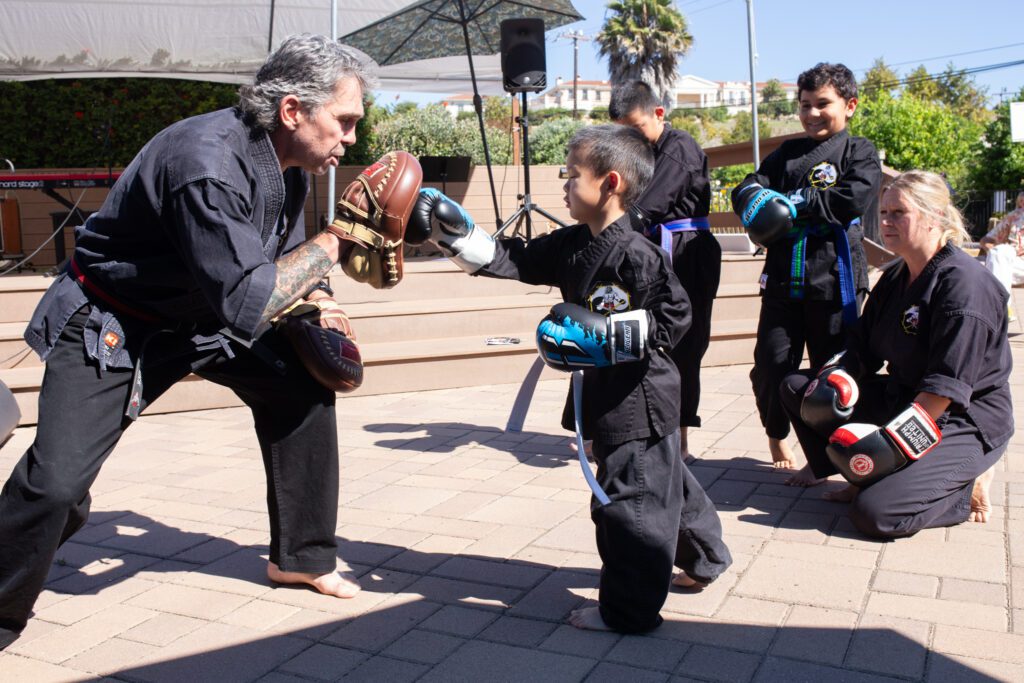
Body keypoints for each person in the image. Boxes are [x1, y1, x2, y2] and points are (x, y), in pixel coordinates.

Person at [0, 34, 385, 639]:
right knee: (55, 489)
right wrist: (338, 240)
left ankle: (301, 559)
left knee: (299, 386)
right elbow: (250, 300)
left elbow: (276, 256)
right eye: (344, 121)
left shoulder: (289, 165)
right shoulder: (205, 164)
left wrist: (320, 297)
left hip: (200, 316)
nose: (352, 138)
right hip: (113, 323)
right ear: (292, 111)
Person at [406, 125, 732, 633]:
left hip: (640, 399)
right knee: (664, 483)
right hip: (605, 396)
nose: (562, 184)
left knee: (631, 505)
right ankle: (706, 557)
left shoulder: (638, 254)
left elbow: (676, 317)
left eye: (571, 174)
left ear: (611, 183)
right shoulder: (573, 243)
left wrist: (607, 337)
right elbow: (511, 257)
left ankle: (629, 611)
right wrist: (452, 234)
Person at [779, 171, 1012, 537]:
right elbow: (861, 350)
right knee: (800, 388)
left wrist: (886, 447)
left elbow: (943, 392)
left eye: (898, 213)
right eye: (883, 212)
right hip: (904, 397)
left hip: (962, 418)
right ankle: (861, 476)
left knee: (876, 514)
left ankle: (965, 489)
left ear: (935, 217)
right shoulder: (894, 277)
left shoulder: (964, 287)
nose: (885, 221)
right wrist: (839, 379)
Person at [731, 62, 882, 473]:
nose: (812, 113)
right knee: (770, 366)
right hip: (783, 279)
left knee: (831, 377)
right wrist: (751, 199)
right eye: (804, 105)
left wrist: (790, 203)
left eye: (823, 104)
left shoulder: (860, 151)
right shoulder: (787, 153)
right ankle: (776, 436)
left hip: (835, 282)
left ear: (849, 105)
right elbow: (747, 187)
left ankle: (825, 458)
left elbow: (849, 201)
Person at [609, 81, 719, 464]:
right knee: (640, 340)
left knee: (684, 347)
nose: (629, 138)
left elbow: (645, 208)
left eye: (635, 129)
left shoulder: (679, 148)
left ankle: (681, 439)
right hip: (651, 251)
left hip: (687, 252)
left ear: (658, 114)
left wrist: (605, 235)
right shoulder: (636, 153)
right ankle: (633, 429)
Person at [981, 190, 1024, 317]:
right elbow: (986, 240)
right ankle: (1002, 309)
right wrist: (994, 253)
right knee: (1001, 252)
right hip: (1016, 263)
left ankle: (994, 311)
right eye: (1021, 201)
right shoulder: (1014, 217)